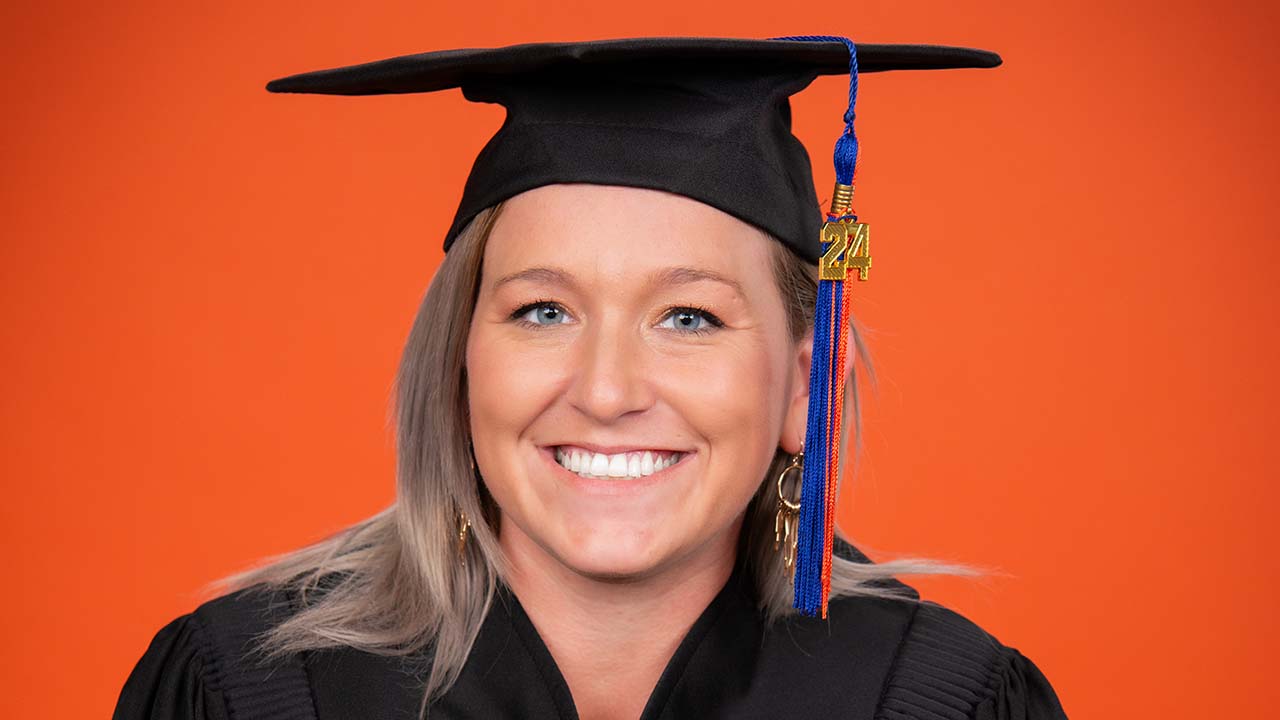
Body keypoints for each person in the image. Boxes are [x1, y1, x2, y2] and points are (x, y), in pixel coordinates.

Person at [113, 37, 1068, 719]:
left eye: (687, 317)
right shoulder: (249, 692)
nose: (607, 390)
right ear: (458, 365)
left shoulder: (932, 698)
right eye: (544, 311)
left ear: (802, 387)